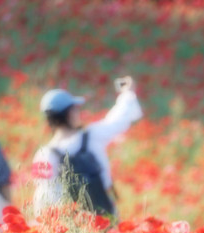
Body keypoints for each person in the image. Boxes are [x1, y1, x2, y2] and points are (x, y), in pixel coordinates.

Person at [32, 76, 143, 218]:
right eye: (75, 109)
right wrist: (127, 93)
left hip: (72, 226)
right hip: (103, 216)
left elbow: (43, 195)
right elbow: (118, 119)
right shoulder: (92, 136)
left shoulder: (44, 155)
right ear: (70, 114)